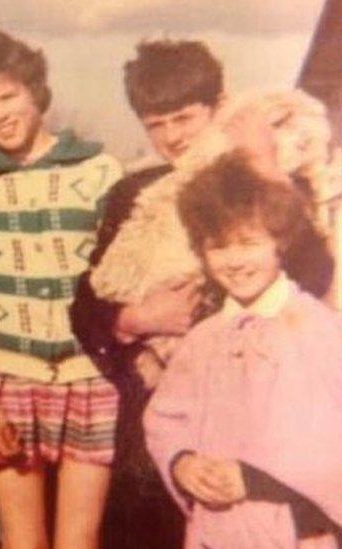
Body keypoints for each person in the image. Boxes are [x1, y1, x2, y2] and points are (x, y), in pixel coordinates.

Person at [0, 27, 123, 549]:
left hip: (91, 380)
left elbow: (115, 283)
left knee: (79, 542)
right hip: (10, 383)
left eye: (8, 96)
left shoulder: (99, 170)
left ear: (36, 92)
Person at [68, 39, 224, 548]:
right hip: (151, 418)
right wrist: (136, 317)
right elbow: (85, 306)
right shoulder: (134, 196)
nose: (173, 138)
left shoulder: (251, 190)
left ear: (218, 108)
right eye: (157, 125)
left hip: (234, 412)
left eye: (184, 118)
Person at [145, 154, 342, 548]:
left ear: (279, 241)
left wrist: (254, 478)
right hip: (217, 529)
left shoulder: (319, 331)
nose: (234, 262)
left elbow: (331, 440)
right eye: (218, 248)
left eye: (248, 243)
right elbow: (166, 417)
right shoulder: (203, 339)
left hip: (296, 528)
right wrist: (182, 463)